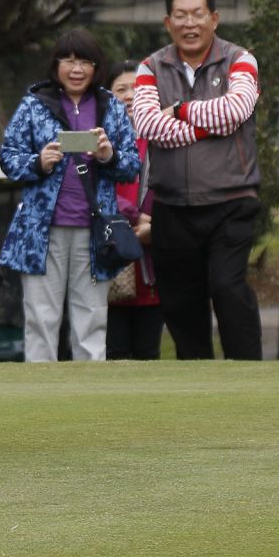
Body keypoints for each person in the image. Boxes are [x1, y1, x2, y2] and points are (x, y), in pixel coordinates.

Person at [130, 0, 264, 360]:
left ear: (215, 18)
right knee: (180, 302)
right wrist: (212, 127)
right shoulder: (150, 66)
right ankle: (196, 382)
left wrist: (182, 111)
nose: (190, 24)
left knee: (227, 287)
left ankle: (248, 375)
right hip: (172, 205)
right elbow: (147, 124)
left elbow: (237, 109)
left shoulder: (240, 59)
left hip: (232, 201)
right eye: (181, 16)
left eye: (198, 14)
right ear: (168, 22)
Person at [0, 30, 139, 362]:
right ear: (56, 64)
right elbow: (8, 157)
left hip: (96, 232)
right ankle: (38, 397)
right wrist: (39, 161)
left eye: (85, 61)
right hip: (41, 232)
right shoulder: (34, 105)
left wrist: (108, 154)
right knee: (41, 317)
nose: (77, 69)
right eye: (69, 60)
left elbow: (132, 165)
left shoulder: (112, 107)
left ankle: (89, 397)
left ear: (96, 67)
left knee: (91, 318)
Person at [105, 62, 164, 360]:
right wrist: (133, 217)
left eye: (137, 88)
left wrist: (157, 227)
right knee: (112, 350)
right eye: (121, 89)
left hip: (152, 259)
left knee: (148, 351)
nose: (129, 95)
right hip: (110, 254)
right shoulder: (101, 140)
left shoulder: (163, 138)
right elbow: (93, 190)